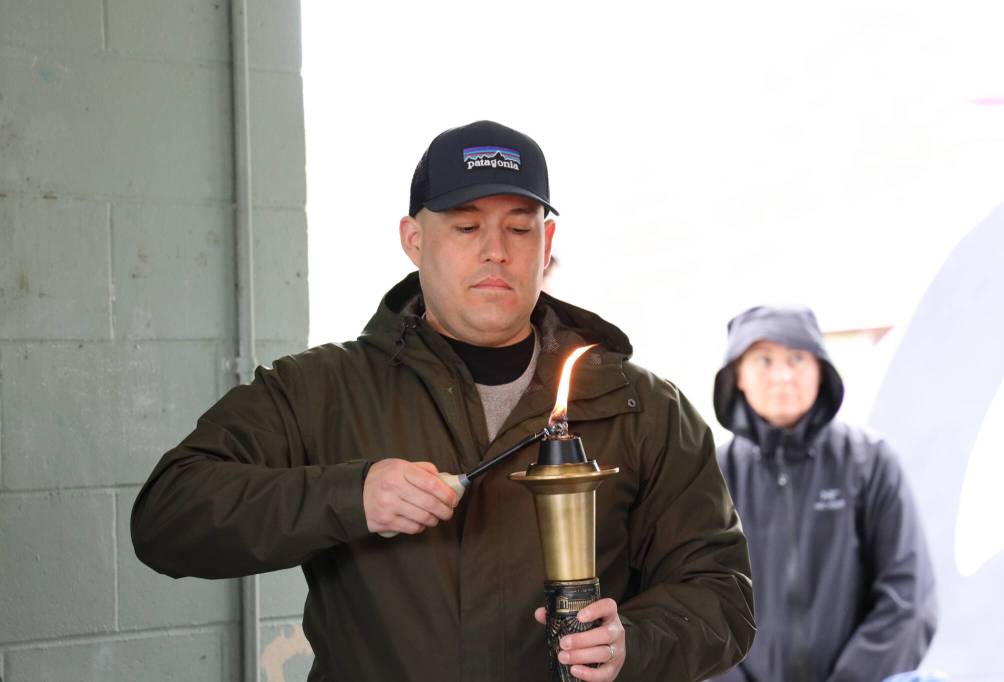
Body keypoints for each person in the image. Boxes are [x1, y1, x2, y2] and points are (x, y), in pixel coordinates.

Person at [131, 120, 755, 681]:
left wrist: (635, 644)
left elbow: (720, 591)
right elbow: (167, 518)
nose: (496, 250)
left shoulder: (641, 406)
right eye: (465, 226)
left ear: (548, 239)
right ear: (412, 238)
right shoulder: (320, 390)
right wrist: (350, 497)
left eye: (519, 227)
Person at [708, 305, 937, 682]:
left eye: (797, 358)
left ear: (820, 371)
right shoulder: (710, 478)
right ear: (738, 376)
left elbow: (908, 597)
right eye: (763, 360)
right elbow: (692, 606)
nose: (782, 376)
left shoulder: (870, 463)